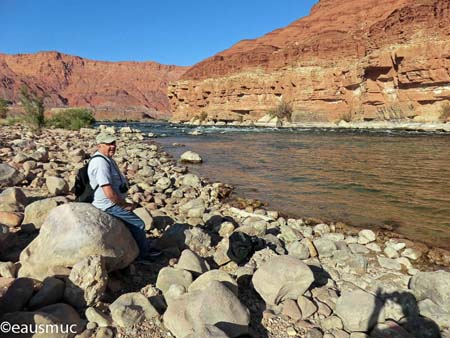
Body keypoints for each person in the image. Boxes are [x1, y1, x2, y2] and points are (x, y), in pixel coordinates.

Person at [88, 132, 158, 261]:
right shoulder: (100, 163)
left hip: (112, 202)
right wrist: (123, 205)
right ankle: (143, 256)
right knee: (139, 224)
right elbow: (108, 191)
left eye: (113, 143)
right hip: (108, 204)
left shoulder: (106, 158)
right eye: (108, 144)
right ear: (99, 146)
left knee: (131, 222)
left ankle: (138, 246)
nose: (112, 146)